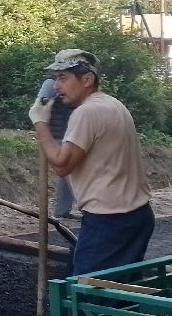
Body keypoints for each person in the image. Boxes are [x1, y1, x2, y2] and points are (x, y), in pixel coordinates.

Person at [29, 49, 154, 277]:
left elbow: (62, 164)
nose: (56, 86)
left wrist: (40, 123)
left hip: (110, 220)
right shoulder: (112, 104)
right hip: (137, 216)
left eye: (63, 78)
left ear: (87, 79)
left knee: (90, 295)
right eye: (55, 79)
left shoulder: (87, 112)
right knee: (121, 292)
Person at [37, 75, 77, 220]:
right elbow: (42, 102)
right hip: (57, 133)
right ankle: (87, 207)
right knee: (71, 172)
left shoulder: (67, 86)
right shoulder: (50, 83)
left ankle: (62, 210)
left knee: (66, 174)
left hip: (66, 131)